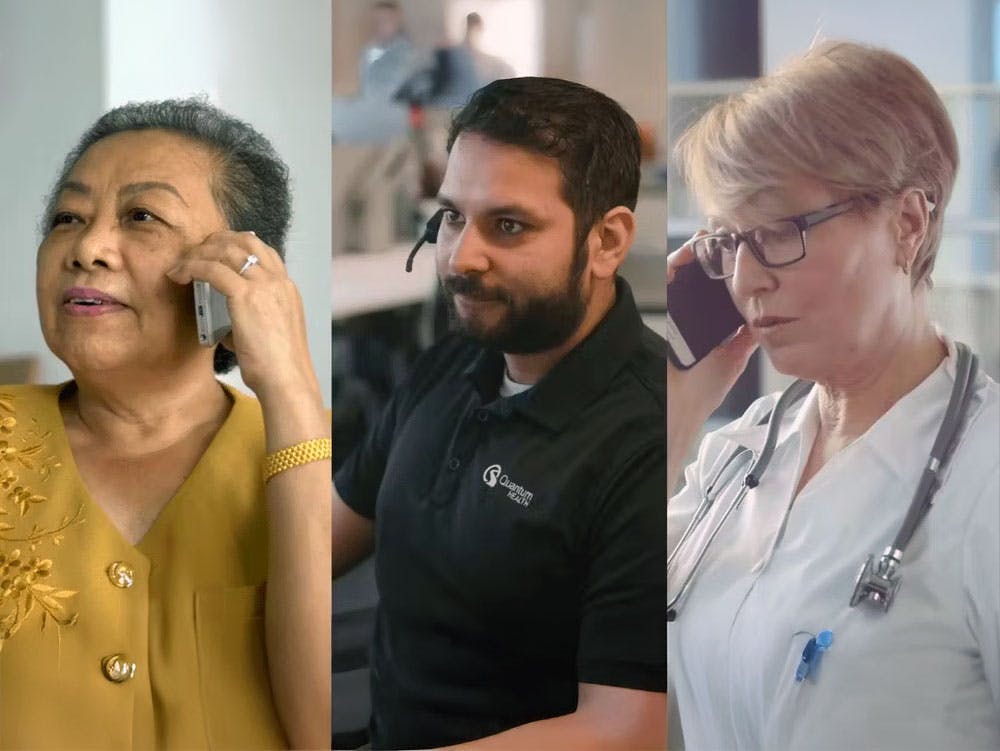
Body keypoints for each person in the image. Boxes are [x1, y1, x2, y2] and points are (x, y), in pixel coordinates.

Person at [666, 40, 999, 751]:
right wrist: (679, 402)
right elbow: (577, 617)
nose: (748, 278)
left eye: (781, 231)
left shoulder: (987, 479)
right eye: (729, 242)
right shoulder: (740, 451)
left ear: (907, 225)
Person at [334, 77, 667, 750]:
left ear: (606, 242)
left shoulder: (650, 435)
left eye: (507, 226)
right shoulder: (455, 362)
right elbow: (320, 536)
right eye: (452, 217)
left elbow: (626, 727)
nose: (461, 257)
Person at [0, 98, 331, 749]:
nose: (87, 247)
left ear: (233, 271)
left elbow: (324, 726)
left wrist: (290, 389)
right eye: (68, 217)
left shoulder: (319, 449)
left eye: (142, 216)